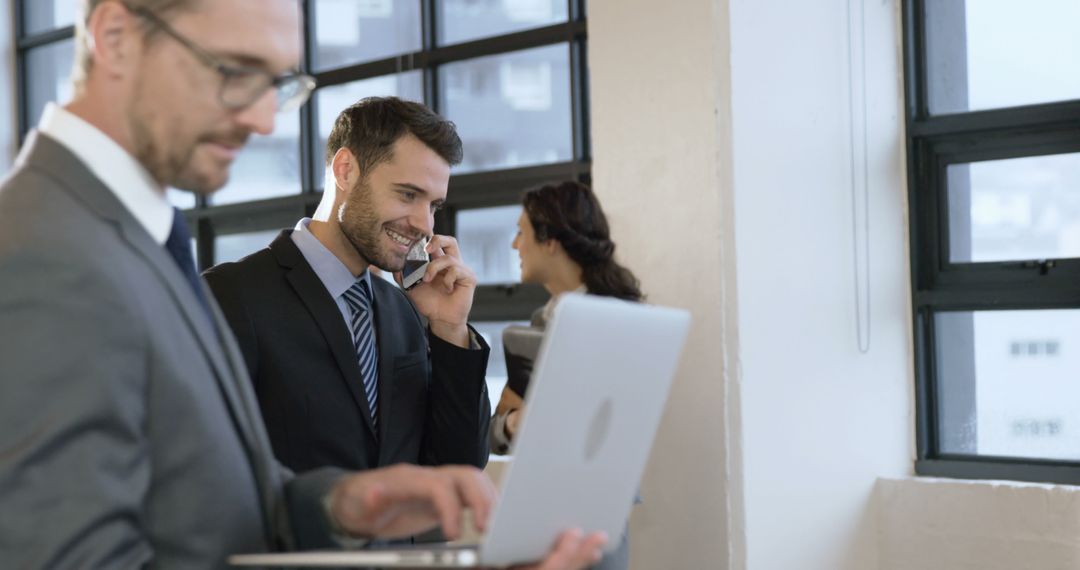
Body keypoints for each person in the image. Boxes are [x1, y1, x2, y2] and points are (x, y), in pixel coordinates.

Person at [0, 1, 604, 568]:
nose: (264, 120)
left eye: (276, 86)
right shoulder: (42, 251)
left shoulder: (140, 240)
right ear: (115, 38)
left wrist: (343, 504)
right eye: (235, 70)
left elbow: (205, 499)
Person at [204, 97, 490, 477]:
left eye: (434, 205)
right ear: (345, 170)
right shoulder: (232, 296)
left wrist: (450, 330)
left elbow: (458, 466)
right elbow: (211, 470)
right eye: (408, 194)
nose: (425, 224)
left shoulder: (407, 310)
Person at [491, 181, 644, 569]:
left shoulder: (624, 325)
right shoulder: (537, 328)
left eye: (521, 233)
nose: (514, 245)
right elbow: (496, 428)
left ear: (551, 241)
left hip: (595, 512)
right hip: (539, 509)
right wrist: (515, 424)